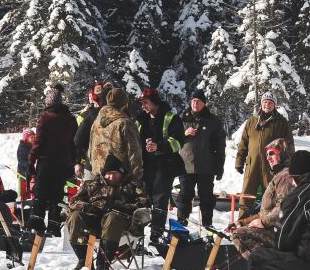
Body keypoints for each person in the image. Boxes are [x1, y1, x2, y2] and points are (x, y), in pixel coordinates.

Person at [66, 155, 147, 270]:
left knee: (112, 217)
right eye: (108, 173)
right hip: (93, 222)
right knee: (75, 217)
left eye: (115, 173)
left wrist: (120, 208)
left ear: (121, 173)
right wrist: (87, 207)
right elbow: (73, 201)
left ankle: (103, 263)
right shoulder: (92, 184)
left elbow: (143, 204)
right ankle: (84, 261)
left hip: (120, 225)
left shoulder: (132, 186)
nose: (111, 176)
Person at [230, 138, 295, 259]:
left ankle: (267, 269)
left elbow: (284, 207)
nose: (268, 158)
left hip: (282, 233)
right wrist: (243, 222)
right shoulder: (278, 176)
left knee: (240, 235)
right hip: (274, 228)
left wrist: (264, 222)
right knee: (240, 230)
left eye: (272, 153)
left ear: (282, 153)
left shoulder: (286, 176)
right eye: (267, 155)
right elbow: (265, 212)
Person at [137, 89, 185, 245]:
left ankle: (155, 236)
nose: (143, 106)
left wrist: (159, 146)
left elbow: (178, 142)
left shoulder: (171, 118)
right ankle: (137, 237)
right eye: (142, 103)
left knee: (160, 201)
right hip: (145, 167)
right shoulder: (140, 119)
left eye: (146, 102)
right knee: (142, 200)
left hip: (165, 166)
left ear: (155, 101)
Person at [176, 89, 226, 230]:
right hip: (186, 165)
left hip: (206, 166)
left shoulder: (213, 120)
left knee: (207, 197)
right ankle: (181, 223)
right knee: (185, 195)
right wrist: (184, 133)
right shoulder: (182, 118)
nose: (195, 103)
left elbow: (220, 144)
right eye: (193, 100)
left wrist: (219, 165)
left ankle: (207, 224)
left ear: (204, 103)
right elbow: (173, 139)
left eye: (198, 101)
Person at [30, 85, 77, 235]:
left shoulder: (45, 117)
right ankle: (54, 226)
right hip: (63, 163)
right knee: (57, 195)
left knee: (41, 194)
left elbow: (38, 142)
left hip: (46, 162)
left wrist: (31, 160)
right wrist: (73, 161)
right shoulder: (71, 118)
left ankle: (37, 225)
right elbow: (74, 143)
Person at [234, 95, 293, 200]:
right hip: (252, 165)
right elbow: (243, 143)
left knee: (272, 196)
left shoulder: (281, 122)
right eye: (265, 102)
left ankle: (270, 216)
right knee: (246, 196)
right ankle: (243, 217)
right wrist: (239, 162)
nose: (267, 105)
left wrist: (286, 165)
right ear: (261, 104)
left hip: (272, 167)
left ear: (274, 105)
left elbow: (288, 146)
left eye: (270, 102)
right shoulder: (251, 121)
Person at [88, 86, 144, 188]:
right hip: (120, 178)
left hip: (99, 178)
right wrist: (136, 177)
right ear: (124, 103)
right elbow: (134, 152)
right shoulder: (124, 123)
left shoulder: (96, 122)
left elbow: (90, 149)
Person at [74, 81, 105, 176]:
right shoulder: (85, 115)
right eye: (97, 90)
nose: (99, 93)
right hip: (90, 160)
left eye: (101, 90)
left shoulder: (115, 113)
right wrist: (78, 161)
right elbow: (78, 138)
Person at [16, 129, 37, 200]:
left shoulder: (33, 146)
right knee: (24, 186)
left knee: (33, 184)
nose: (33, 139)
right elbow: (20, 160)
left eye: (34, 137)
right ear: (26, 138)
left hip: (31, 169)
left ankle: (33, 197)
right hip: (22, 170)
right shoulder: (22, 146)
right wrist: (28, 163)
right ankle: (23, 199)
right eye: (31, 137)